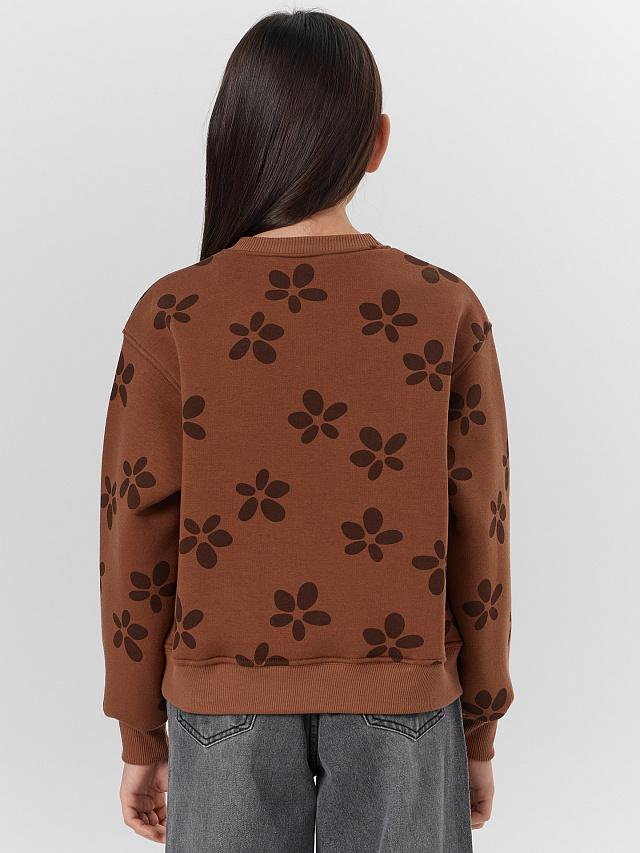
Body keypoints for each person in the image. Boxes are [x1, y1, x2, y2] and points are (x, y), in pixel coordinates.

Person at [99, 9, 514, 851]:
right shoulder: (446, 309)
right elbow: (483, 527)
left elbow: (133, 530)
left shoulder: (172, 314)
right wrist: (478, 728)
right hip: (404, 691)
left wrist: (141, 735)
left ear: (238, 138)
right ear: (378, 142)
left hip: (222, 699)